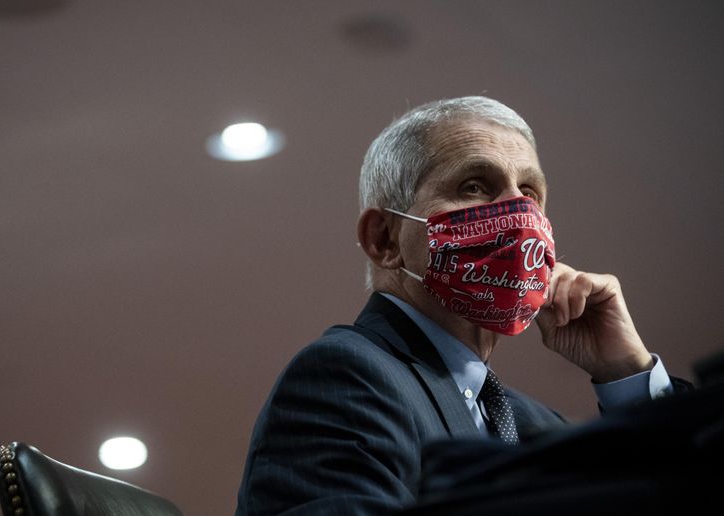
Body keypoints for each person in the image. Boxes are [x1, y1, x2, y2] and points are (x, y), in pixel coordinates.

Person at [234, 96, 686, 516]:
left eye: (529, 193)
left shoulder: (539, 426)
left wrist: (627, 374)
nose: (518, 211)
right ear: (385, 239)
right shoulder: (346, 376)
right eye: (474, 185)